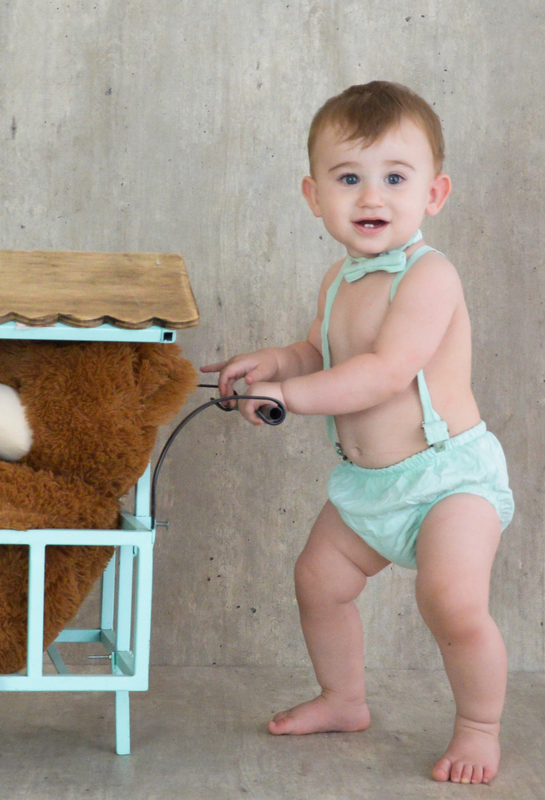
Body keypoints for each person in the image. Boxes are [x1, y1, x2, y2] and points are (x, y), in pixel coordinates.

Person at [201, 81, 515, 785]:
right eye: (350, 179)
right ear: (315, 197)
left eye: (394, 179)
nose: (372, 197)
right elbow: (322, 354)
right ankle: (344, 699)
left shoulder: (430, 278)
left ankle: (479, 726)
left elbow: (381, 373)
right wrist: (275, 364)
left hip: (446, 480)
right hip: (368, 486)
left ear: (434, 194)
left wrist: (288, 396)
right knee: (318, 581)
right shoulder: (339, 280)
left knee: (452, 603)